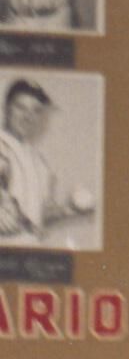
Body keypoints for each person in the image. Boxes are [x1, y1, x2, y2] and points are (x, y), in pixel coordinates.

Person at [0, 78, 88, 242]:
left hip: (32, 248)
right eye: (21, 107)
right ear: (6, 109)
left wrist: (69, 210)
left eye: (36, 110)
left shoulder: (40, 163)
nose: (28, 116)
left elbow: (39, 214)